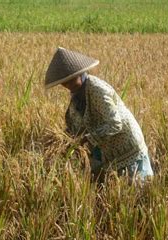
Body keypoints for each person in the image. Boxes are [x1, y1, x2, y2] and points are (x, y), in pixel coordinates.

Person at [45, 47, 154, 181]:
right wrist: (65, 137)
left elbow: (115, 124)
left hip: (125, 147)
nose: (67, 85)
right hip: (106, 149)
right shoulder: (77, 93)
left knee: (132, 191)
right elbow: (77, 122)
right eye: (63, 82)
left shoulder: (97, 89)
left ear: (79, 74)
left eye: (70, 80)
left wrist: (85, 139)